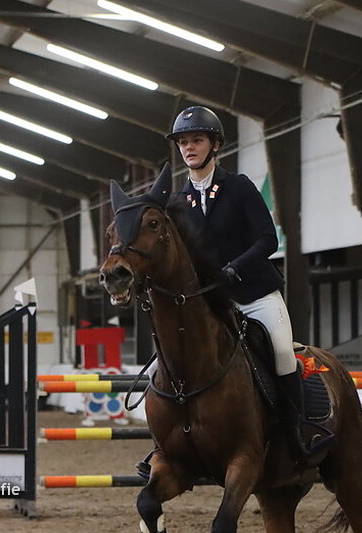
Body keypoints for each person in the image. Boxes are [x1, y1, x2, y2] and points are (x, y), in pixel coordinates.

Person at [136, 106, 333, 477]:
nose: (189, 148)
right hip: (211, 303)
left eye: (196, 140)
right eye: (183, 142)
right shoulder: (178, 203)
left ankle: (298, 433)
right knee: (174, 360)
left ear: (215, 145)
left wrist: (235, 267)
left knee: (280, 352)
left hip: (255, 295)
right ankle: (166, 444)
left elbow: (268, 239)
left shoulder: (239, 187)